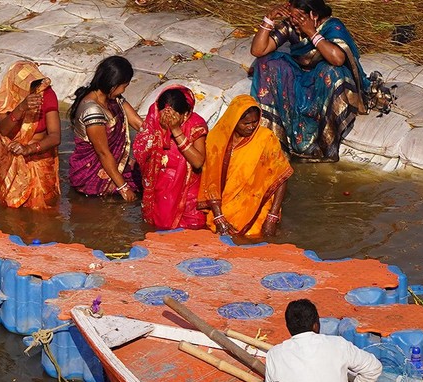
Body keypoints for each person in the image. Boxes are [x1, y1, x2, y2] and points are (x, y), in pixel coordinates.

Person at [250, 0, 370, 162]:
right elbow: (258, 50)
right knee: (267, 62)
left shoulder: (332, 26)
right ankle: (276, 139)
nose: (294, 20)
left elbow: (337, 59)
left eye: (300, 16)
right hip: (301, 76)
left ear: (314, 14)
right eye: (292, 15)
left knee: (330, 72)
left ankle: (324, 144)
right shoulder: (291, 26)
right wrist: (269, 18)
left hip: (326, 78)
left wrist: (312, 33)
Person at [199, 95, 293, 238]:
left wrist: (272, 217)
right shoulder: (216, 139)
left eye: (255, 122)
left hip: (257, 205)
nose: (251, 127)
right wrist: (218, 217)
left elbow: (281, 176)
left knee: (254, 236)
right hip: (225, 205)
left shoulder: (265, 139)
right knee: (215, 234)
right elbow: (211, 180)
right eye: (246, 123)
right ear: (234, 121)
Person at [69, 56, 143, 201]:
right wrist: (123, 188)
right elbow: (103, 152)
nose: (124, 90)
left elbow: (138, 124)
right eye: (124, 86)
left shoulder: (114, 99)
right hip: (92, 173)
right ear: (113, 85)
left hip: (111, 163)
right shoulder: (92, 110)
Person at [133, 86, 207, 230]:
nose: (167, 120)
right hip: (160, 189)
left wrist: (176, 130)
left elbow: (198, 162)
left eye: (173, 117)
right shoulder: (153, 120)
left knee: (191, 232)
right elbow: (142, 154)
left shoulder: (195, 125)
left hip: (187, 192)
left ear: (185, 114)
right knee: (157, 229)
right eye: (164, 117)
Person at [0, 61, 61, 209]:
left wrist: (28, 149)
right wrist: (21, 108)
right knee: (11, 210)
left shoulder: (46, 94)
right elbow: (3, 129)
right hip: (11, 163)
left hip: (40, 161)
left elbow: (55, 136)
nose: (35, 90)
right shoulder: (6, 98)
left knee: (42, 211)